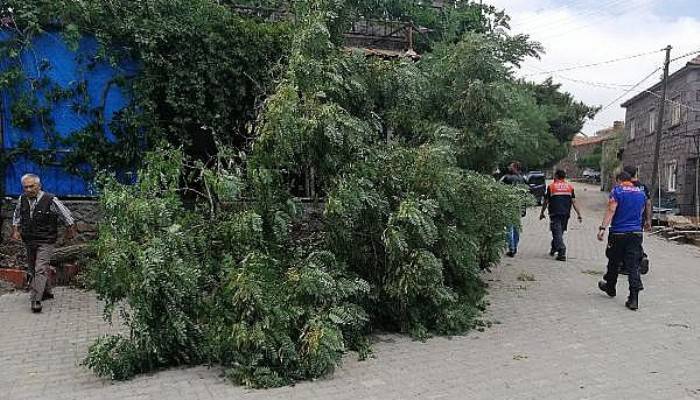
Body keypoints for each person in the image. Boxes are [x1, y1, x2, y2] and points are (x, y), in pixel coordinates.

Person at [10, 174, 76, 313]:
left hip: (46, 240)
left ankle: (36, 300)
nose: (28, 189)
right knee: (34, 268)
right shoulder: (22, 199)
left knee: (40, 268)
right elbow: (17, 216)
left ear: (39, 186)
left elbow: (66, 214)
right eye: (25, 187)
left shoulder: (50, 199)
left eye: (31, 186)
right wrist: (15, 230)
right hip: (29, 239)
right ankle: (47, 291)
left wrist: (70, 229)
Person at [597, 170, 649, 311]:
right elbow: (643, 210)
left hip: (619, 233)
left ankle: (610, 287)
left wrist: (602, 228)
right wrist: (646, 222)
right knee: (633, 265)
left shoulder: (617, 191)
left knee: (614, 261)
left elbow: (611, 210)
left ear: (619, 180)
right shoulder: (640, 193)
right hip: (636, 233)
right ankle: (633, 299)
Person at [539, 169, 582, 261]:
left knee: (557, 232)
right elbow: (574, 202)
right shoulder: (570, 187)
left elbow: (546, 202)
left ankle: (561, 251)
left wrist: (542, 212)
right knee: (559, 232)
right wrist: (579, 214)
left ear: (556, 176)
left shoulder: (551, 187)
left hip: (555, 213)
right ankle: (554, 248)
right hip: (566, 214)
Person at [500, 161, 526, 257]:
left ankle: (511, 248)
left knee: (509, 227)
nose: (508, 167)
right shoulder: (523, 179)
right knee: (516, 228)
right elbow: (524, 194)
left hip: (509, 205)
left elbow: (498, 188)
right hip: (518, 205)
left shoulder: (506, 178)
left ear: (514, 168)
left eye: (510, 166)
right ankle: (514, 246)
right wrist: (524, 208)